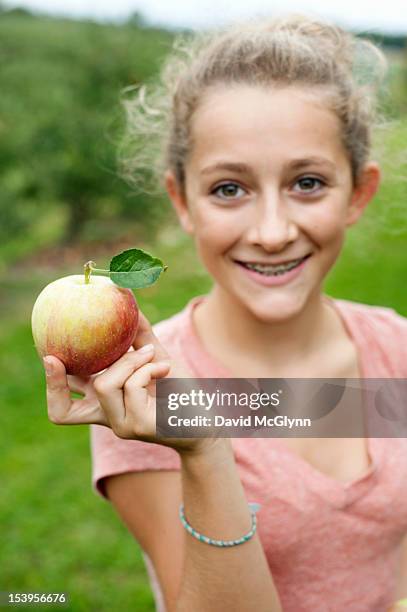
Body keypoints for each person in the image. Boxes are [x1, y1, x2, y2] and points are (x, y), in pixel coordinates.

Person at [42, 13, 407, 612]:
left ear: (358, 193)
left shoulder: (395, 351)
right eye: (229, 189)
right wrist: (204, 446)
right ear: (182, 201)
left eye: (308, 182)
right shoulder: (142, 389)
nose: (271, 232)